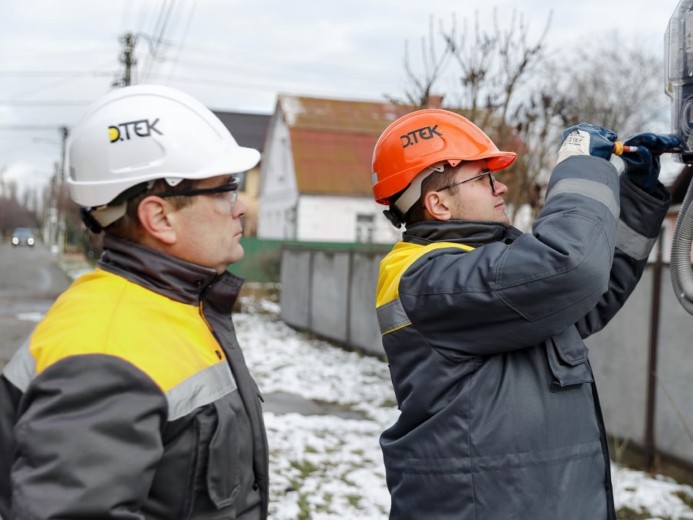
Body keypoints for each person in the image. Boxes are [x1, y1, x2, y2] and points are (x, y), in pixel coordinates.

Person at [370, 108, 681, 520]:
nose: (499, 188)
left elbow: (586, 297)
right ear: (438, 203)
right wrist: (581, 168)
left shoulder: (484, 265)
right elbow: (570, 268)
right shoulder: (426, 278)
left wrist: (640, 196)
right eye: (483, 178)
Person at [0, 84, 269, 519]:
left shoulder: (171, 307)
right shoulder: (105, 351)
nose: (239, 209)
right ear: (159, 217)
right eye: (224, 190)